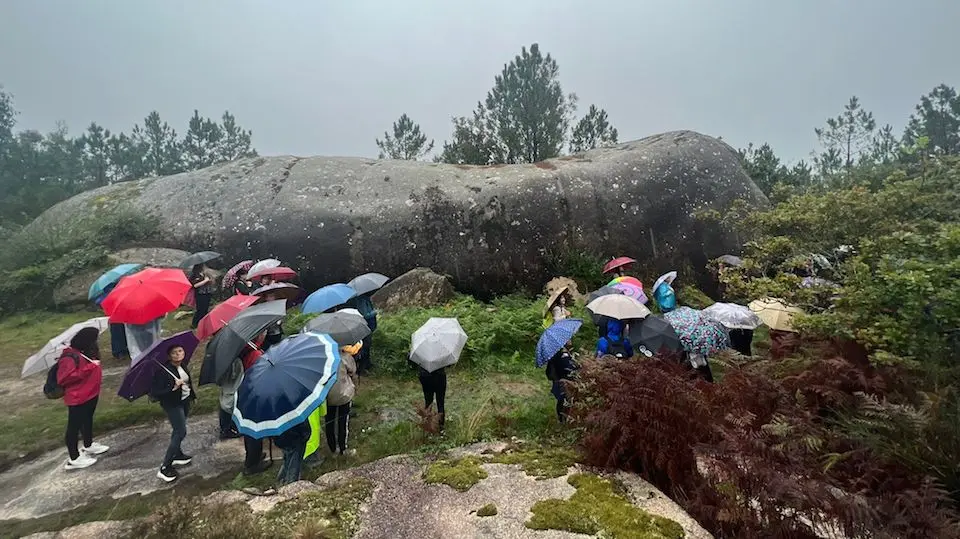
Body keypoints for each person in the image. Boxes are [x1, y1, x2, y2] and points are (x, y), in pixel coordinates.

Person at [57, 327, 109, 470]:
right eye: (94, 339)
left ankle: (88, 444)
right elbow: (65, 378)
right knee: (73, 427)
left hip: (90, 394)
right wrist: (89, 368)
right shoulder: (69, 357)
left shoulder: (85, 353)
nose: (96, 342)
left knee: (87, 420)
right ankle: (74, 458)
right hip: (77, 397)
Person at [150, 344, 196, 482]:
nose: (178, 354)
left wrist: (192, 396)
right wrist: (173, 387)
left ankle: (177, 454)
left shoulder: (183, 365)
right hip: (172, 405)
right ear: (169, 356)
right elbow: (155, 393)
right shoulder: (163, 371)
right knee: (180, 432)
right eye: (174, 353)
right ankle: (165, 467)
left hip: (184, 401)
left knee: (177, 430)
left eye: (180, 351)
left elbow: (188, 383)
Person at [325, 341, 360, 456]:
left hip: (327, 395)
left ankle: (332, 448)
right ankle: (343, 449)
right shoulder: (345, 356)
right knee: (342, 421)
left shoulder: (322, 357)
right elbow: (352, 371)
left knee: (329, 421)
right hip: (343, 394)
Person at [546, 342, 577, 422]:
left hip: (559, 380)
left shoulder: (558, 353)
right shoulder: (563, 355)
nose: (570, 340)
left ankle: (562, 418)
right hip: (563, 381)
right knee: (564, 400)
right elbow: (569, 368)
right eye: (569, 339)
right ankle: (563, 419)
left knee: (563, 400)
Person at [348, 294, 378, 374]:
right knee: (365, 345)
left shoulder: (364, 297)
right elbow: (364, 313)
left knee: (367, 344)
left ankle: (367, 364)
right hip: (364, 322)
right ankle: (361, 368)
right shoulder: (357, 299)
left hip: (368, 321)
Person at [274, 420, 310, 485]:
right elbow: (303, 425)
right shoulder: (293, 410)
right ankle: (291, 485)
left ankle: (280, 482)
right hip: (296, 438)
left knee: (287, 461)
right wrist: (306, 435)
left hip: (281, 439)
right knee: (294, 465)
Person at [418, 365, 447, 433]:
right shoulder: (441, 353)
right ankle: (441, 427)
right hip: (440, 375)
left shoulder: (422, 353)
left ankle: (428, 427)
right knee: (440, 403)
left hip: (425, 375)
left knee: (428, 403)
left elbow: (411, 359)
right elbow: (448, 364)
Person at [190, 264, 214, 329]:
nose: (204, 266)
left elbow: (211, 282)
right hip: (200, 294)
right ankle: (194, 324)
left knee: (205, 310)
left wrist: (209, 280)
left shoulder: (206, 273)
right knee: (200, 310)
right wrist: (205, 281)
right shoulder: (194, 275)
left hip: (207, 293)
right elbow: (194, 285)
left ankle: (204, 324)